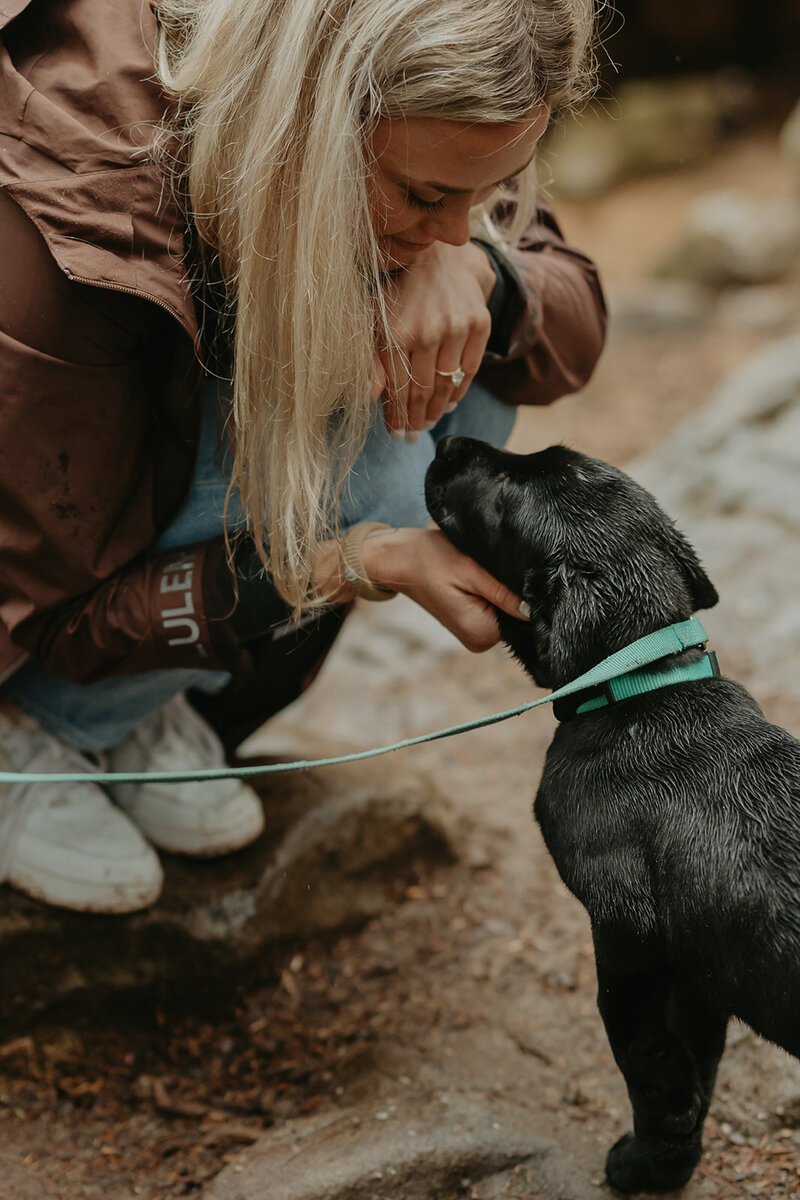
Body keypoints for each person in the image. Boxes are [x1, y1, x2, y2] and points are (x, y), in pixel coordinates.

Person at [0, 0, 606, 913]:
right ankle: (32, 729)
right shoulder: (70, 238)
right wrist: (351, 558)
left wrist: (473, 263)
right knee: (377, 474)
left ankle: (127, 715)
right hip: (29, 598)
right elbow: (44, 609)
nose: (452, 229)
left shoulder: (421, 93)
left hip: (124, 491)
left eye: (486, 190)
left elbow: (576, 315)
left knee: (467, 363)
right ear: (309, 124)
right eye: (425, 196)